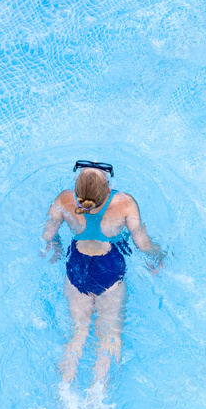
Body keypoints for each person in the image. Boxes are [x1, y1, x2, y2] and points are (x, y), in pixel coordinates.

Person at [41, 160, 164, 389]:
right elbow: (142, 243)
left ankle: (62, 393)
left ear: (78, 192)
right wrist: (161, 254)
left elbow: (48, 235)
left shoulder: (65, 199)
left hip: (76, 272)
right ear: (108, 189)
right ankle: (97, 400)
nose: (96, 163)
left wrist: (56, 245)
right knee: (109, 338)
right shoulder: (124, 202)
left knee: (77, 335)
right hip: (110, 274)